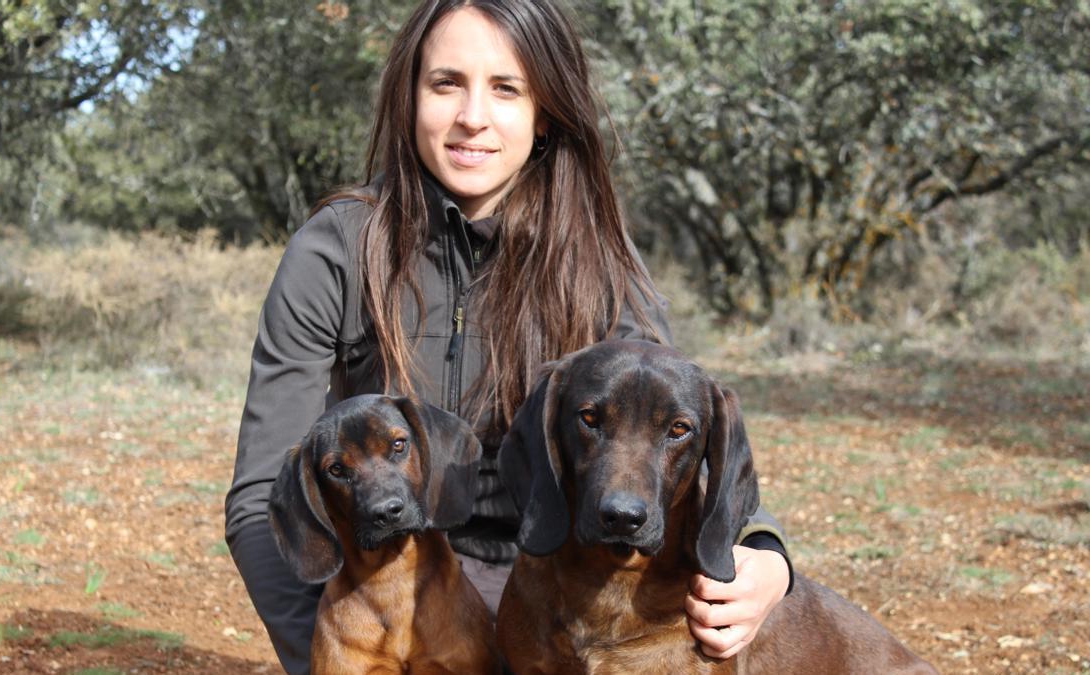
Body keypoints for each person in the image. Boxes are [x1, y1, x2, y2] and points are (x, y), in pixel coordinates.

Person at [224, 1, 792, 672]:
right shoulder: (336, 249)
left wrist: (768, 555)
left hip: (546, 592)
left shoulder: (600, 262)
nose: (472, 116)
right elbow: (264, 492)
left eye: (505, 88)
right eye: (446, 84)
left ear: (544, 109)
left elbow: (670, 423)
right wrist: (337, 652)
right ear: (410, 96)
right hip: (389, 593)